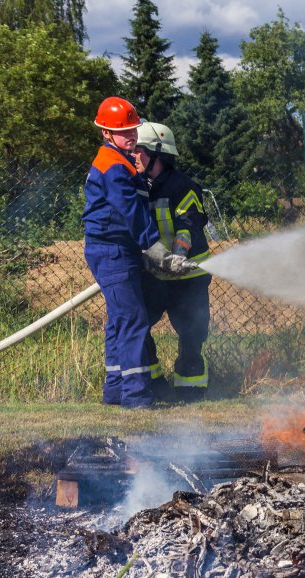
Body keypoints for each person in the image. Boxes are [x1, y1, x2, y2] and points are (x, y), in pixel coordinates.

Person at [82, 98, 195, 408]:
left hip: (118, 248)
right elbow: (131, 211)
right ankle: (135, 396)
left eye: (133, 130)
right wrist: (155, 248)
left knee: (120, 321)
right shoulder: (113, 165)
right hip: (112, 249)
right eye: (123, 132)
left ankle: (116, 390)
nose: (130, 136)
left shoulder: (118, 160)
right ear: (106, 132)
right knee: (133, 319)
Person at [133, 122, 213, 403]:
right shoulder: (138, 187)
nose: (133, 156)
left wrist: (178, 256)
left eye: (138, 151)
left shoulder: (182, 186)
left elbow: (188, 224)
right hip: (155, 276)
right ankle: (155, 383)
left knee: (192, 335)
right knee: (137, 326)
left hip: (187, 277)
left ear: (158, 153)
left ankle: (190, 390)